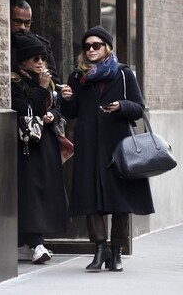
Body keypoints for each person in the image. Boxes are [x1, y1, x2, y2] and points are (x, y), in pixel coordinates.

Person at [60, 26, 155, 272]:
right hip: (90, 144)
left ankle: (116, 251)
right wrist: (67, 99)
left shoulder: (123, 75)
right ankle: (100, 249)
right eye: (87, 46)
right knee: (91, 199)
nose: (91, 50)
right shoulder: (78, 77)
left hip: (118, 145)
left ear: (107, 47)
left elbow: (138, 108)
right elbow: (70, 114)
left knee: (120, 200)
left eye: (96, 45)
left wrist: (121, 106)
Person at [11, 33, 68, 264]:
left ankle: (30, 243)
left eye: (43, 57)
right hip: (27, 147)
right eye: (35, 58)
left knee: (45, 193)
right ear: (23, 61)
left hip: (47, 144)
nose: (41, 62)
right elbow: (26, 111)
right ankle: (36, 243)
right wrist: (42, 89)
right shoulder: (15, 81)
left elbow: (58, 108)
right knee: (31, 195)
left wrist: (51, 114)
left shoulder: (49, 81)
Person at [10, 0, 60, 85]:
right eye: (18, 22)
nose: (22, 27)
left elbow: (54, 81)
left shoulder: (42, 45)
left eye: (27, 23)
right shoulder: (4, 46)